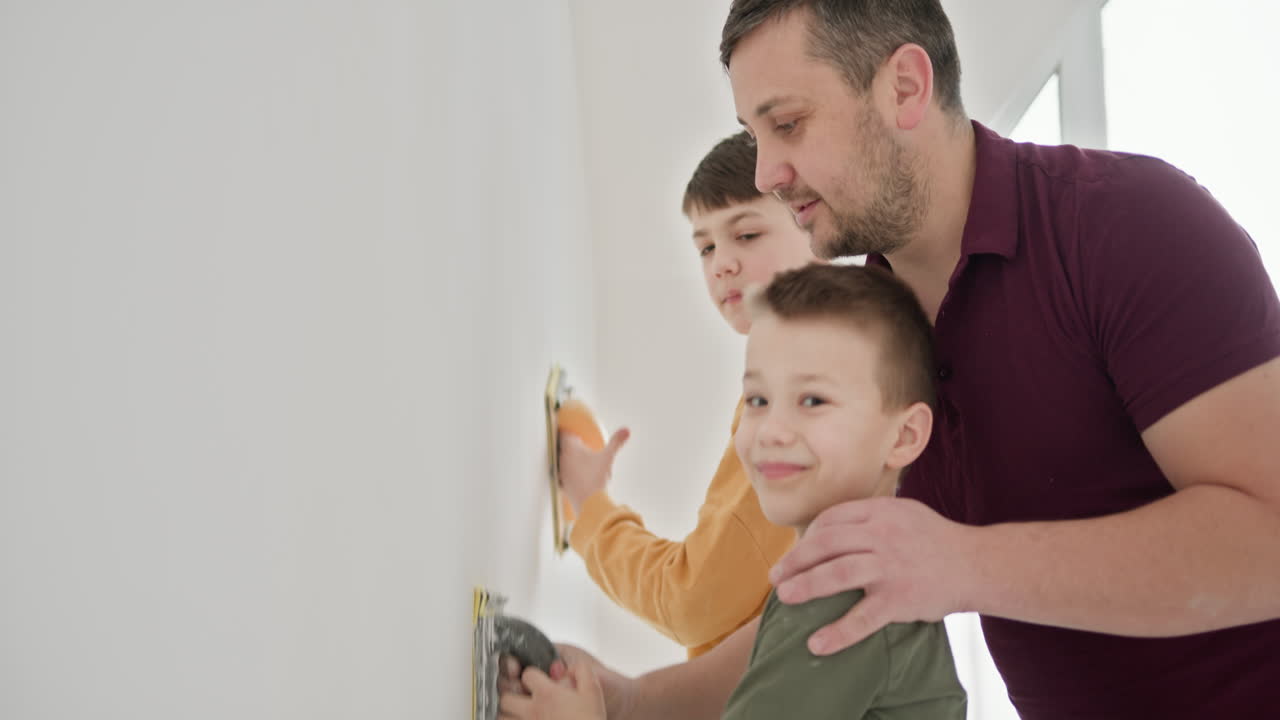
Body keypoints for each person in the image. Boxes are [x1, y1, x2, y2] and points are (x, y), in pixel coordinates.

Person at [503, 1, 1280, 718]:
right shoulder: (869, 336)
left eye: (790, 124)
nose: (769, 171)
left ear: (905, 87)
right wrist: (628, 699)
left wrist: (965, 561)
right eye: (755, 137)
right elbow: (836, 600)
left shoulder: (1132, 226)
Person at [506, 263, 968, 720]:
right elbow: (705, 690)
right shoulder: (824, 574)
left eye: (813, 400)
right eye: (757, 400)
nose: (771, 430)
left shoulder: (843, 603)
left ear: (904, 436)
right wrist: (620, 699)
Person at [556, 131, 814, 658]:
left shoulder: (798, 390)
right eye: (706, 246)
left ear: (813, 223)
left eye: (745, 234)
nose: (721, 263)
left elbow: (692, 602)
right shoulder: (810, 374)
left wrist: (591, 509)